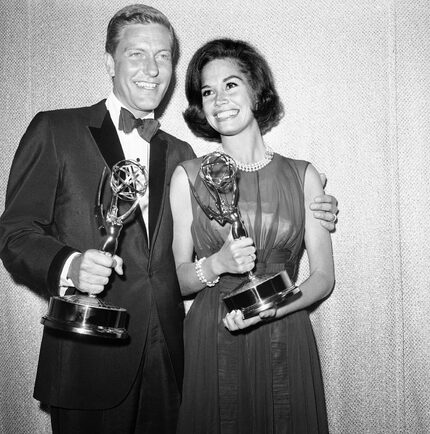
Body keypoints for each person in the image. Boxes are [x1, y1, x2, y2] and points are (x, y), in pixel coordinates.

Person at [0, 5, 337, 434]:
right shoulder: (55, 130)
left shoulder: (182, 155)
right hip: (91, 357)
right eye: (137, 54)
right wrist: (69, 264)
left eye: (163, 56)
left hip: (172, 362)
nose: (152, 68)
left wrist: (316, 201)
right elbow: (14, 233)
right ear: (110, 61)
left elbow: (232, 215)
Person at [170, 38, 335, 433]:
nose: (219, 99)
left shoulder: (304, 175)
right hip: (214, 334)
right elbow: (174, 280)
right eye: (207, 91)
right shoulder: (187, 177)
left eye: (231, 84)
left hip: (286, 328)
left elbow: (324, 277)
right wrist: (215, 264)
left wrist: (274, 310)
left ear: (256, 92)